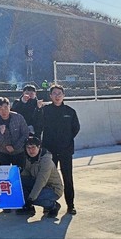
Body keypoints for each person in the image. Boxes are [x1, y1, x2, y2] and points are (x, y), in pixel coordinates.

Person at [42, 85, 80, 215]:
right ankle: (48, 205)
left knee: (67, 178)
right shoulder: (45, 110)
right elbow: (37, 124)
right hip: (49, 151)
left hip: (65, 151)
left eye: (59, 93)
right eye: (54, 93)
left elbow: (76, 128)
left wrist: (66, 140)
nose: (57, 96)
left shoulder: (70, 111)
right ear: (50, 96)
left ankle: (70, 205)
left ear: (64, 95)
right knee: (48, 179)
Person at [16, 136, 63, 218]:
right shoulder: (28, 158)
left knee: (35, 199)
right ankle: (29, 208)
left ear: (39, 147)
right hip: (39, 185)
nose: (31, 150)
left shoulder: (46, 161)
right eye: (28, 148)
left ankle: (53, 206)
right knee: (19, 182)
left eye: (33, 147)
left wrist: (30, 199)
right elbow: (26, 174)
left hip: (53, 189)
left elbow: (41, 181)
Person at [0, 97, 29, 167]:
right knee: (4, 172)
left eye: (5, 108)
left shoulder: (18, 118)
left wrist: (15, 147)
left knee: (19, 172)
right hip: (3, 152)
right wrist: (1, 134)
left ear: (9, 107)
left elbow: (25, 133)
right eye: (0, 108)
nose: (3, 111)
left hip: (19, 151)